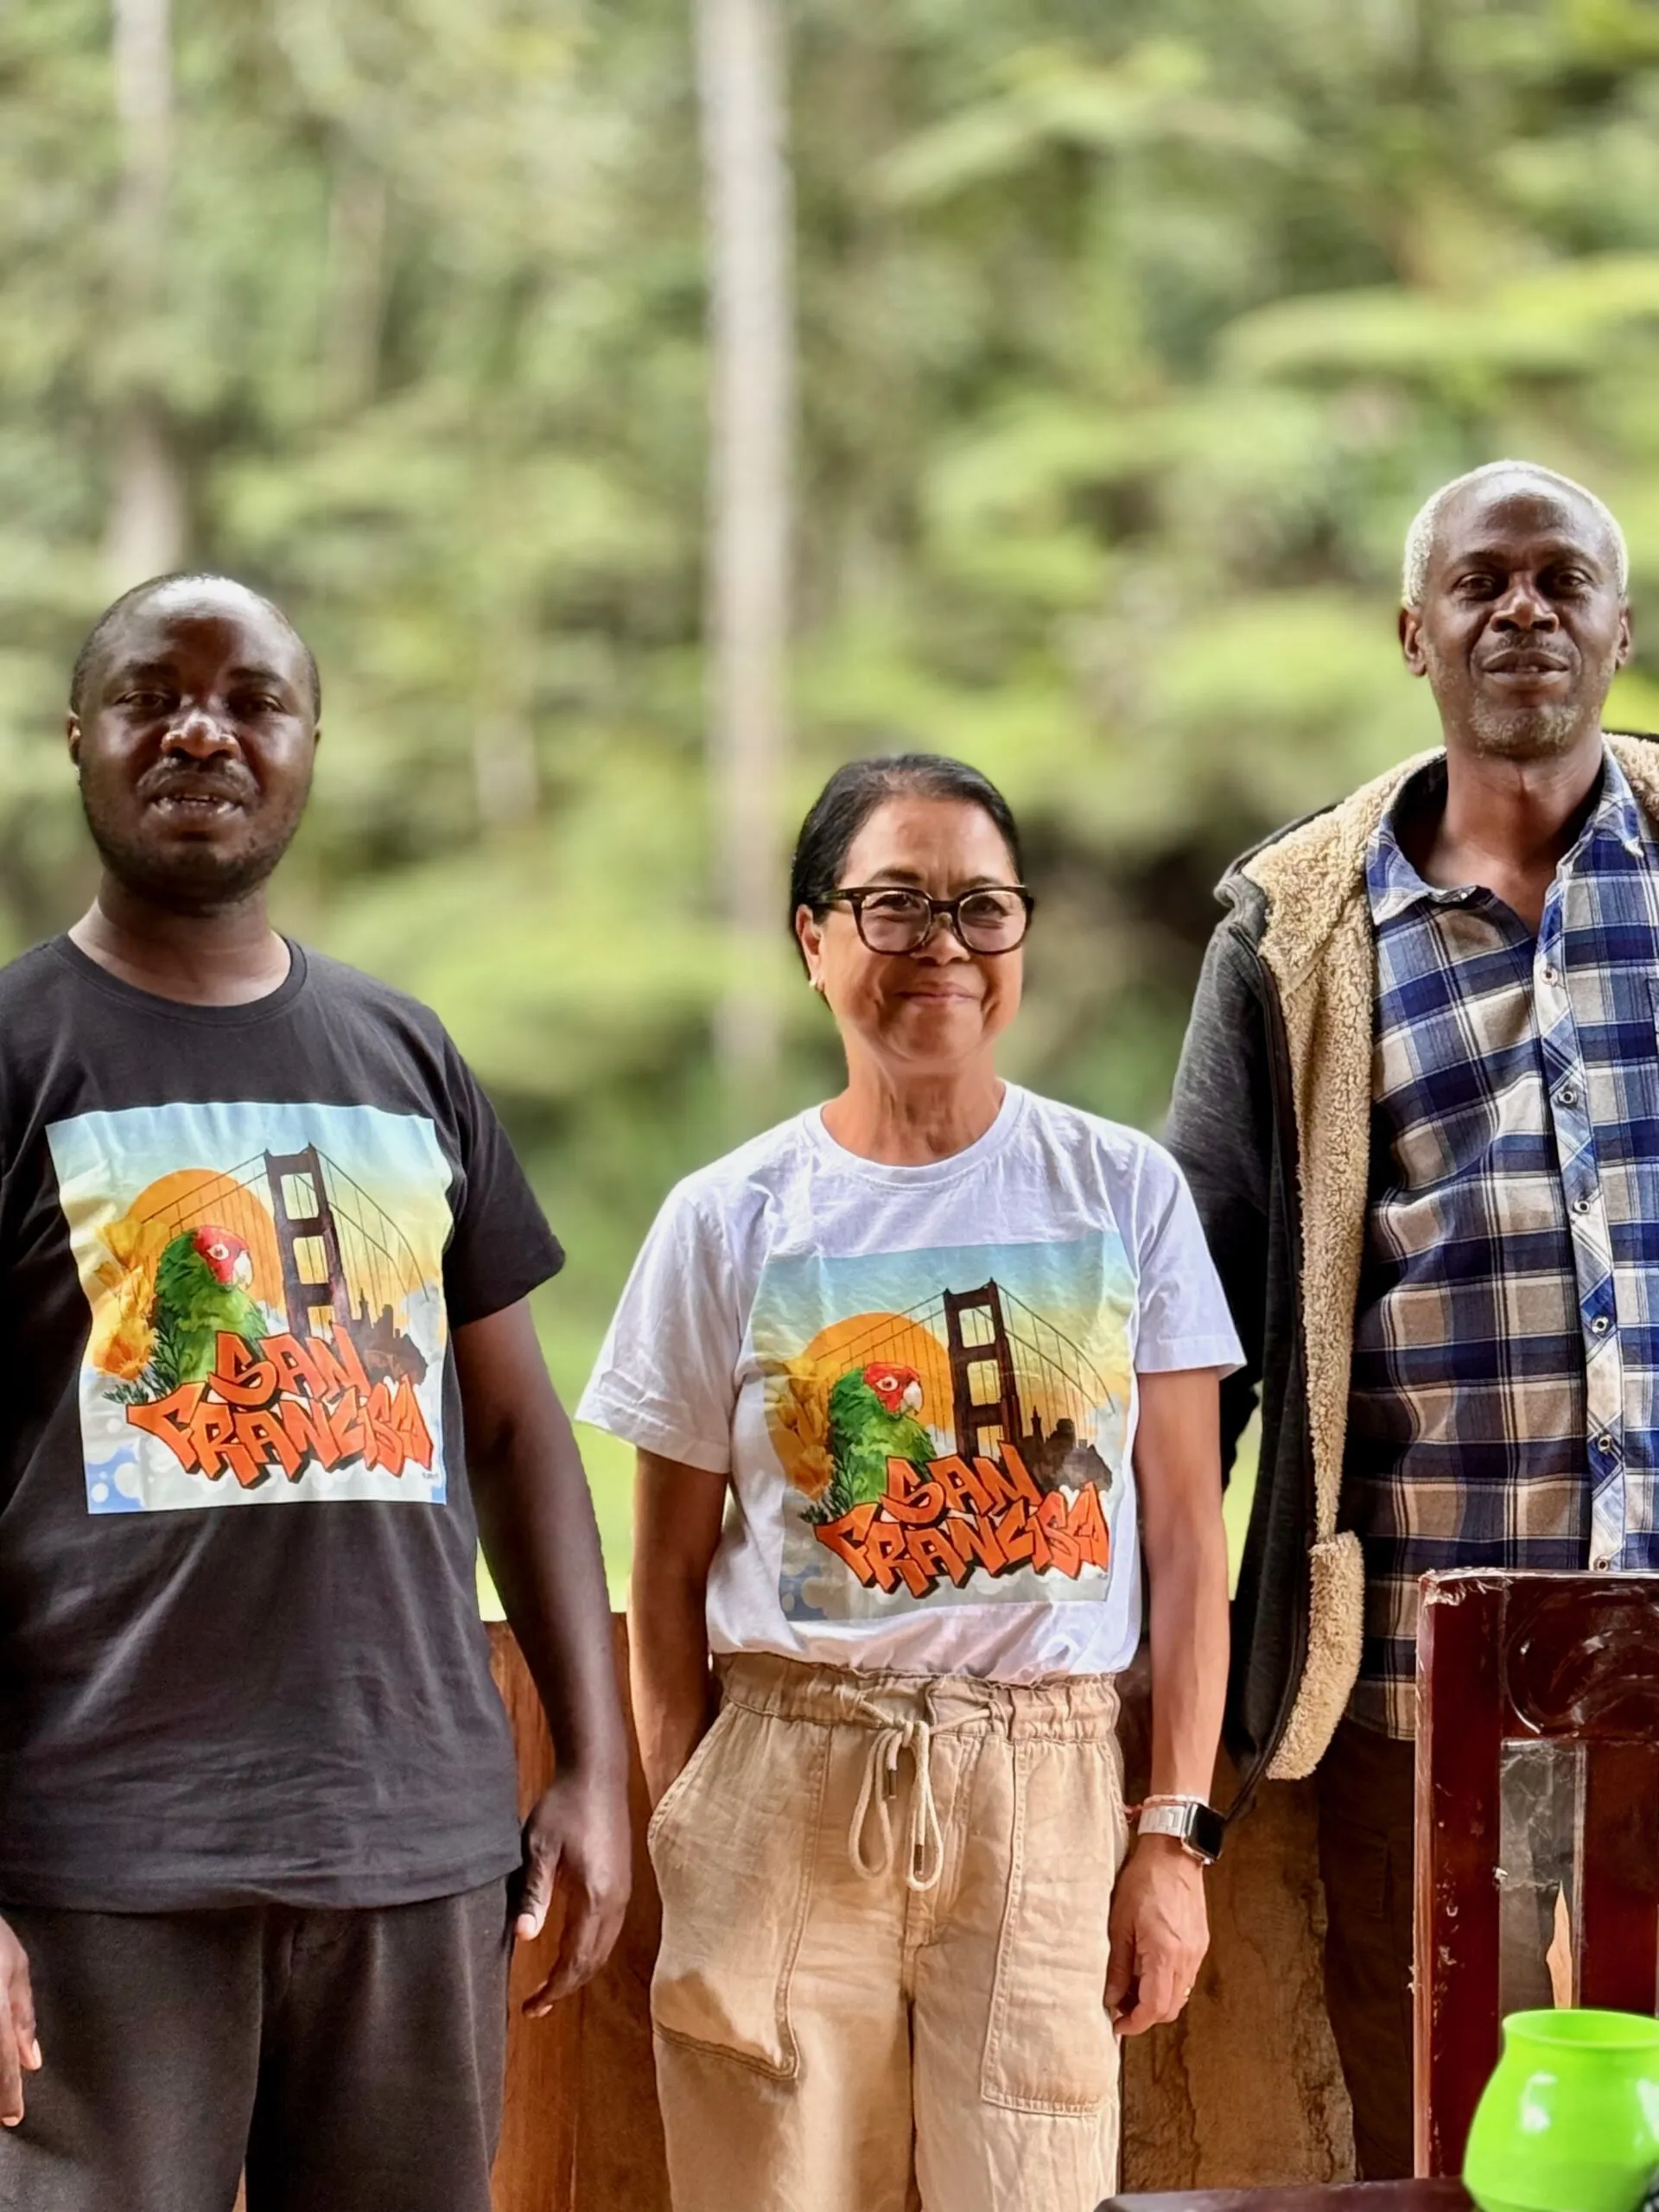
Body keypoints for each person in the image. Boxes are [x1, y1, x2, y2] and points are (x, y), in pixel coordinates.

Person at [0, 573, 630, 2212]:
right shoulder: (13, 1055)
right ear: (83, 736)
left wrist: (590, 1765)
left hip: (411, 1852)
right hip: (97, 1866)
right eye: (154, 693)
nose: (202, 728)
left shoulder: (403, 1057)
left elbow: (512, 1431)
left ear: (307, 746)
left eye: (252, 699)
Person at [578, 753, 1240, 2212]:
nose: (941, 944)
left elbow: (1190, 1547)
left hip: (1051, 1794)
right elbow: (667, 1574)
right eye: (894, 905)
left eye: (981, 908)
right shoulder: (727, 1221)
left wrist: (1169, 1839)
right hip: (789, 1783)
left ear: (1020, 938)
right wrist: (695, 1817)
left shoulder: (1123, 1194)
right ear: (814, 940)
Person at [1165, 459, 1651, 2177]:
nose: (1522, 611)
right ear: (1412, 632)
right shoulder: (1299, 925)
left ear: (1620, 619)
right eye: (1480, 583)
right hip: (1414, 1685)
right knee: (1442, 2126)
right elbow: (1193, 1334)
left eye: (1560, 579)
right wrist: (1143, 1696)